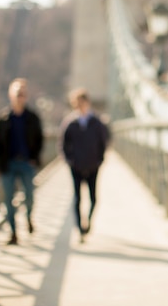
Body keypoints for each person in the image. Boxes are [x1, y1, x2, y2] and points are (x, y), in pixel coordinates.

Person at [0, 78, 44, 245]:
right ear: (10, 95)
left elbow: (40, 139)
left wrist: (35, 158)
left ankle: (29, 218)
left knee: (29, 197)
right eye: (17, 93)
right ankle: (13, 233)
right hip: (8, 164)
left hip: (27, 163)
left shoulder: (33, 117)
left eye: (23, 94)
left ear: (26, 96)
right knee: (9, 200)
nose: (20, 97)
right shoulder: (4, 117)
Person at [59, 87, 110, 242]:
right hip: (76, 166)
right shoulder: (70, 123)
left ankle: (88, 220)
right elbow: (63, 144)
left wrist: (99, 160)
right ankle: (80, 229)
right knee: (77, 198)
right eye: (77, 103)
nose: (80, 106)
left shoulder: (96, 122)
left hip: (93, 165)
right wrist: (70, 161)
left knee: (94, 198)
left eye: (83, 102)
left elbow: (104, 142)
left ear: (87, 103)